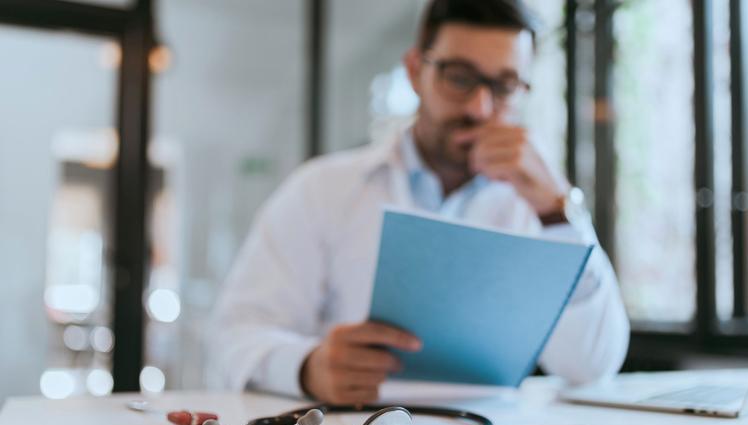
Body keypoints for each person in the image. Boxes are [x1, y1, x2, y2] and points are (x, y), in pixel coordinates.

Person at [207, 0, 629, 404]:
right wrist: (307, 368)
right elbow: (233, 339)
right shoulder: (320, 190)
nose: (480, 108)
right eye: (459, 78)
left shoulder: (538, 208)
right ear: (414, 71)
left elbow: (592, 366)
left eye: (504, 86)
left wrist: (558, 211)